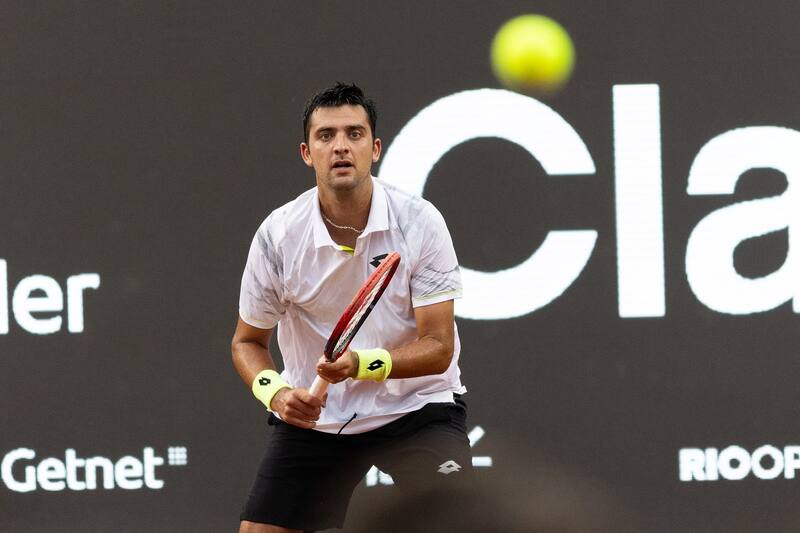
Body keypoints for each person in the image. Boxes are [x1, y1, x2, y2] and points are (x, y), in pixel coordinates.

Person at [232, 82, 472, 533]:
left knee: (458, 524)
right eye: (326, 136)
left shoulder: (419, 222)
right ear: (307, 153)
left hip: (417, 408)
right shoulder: (278, 236)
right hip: (319, 419)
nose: (340, 146)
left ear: (374, 149)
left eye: (354, 134)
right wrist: (276, 393)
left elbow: (438, 347)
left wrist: (361, 364)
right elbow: (248, 342)